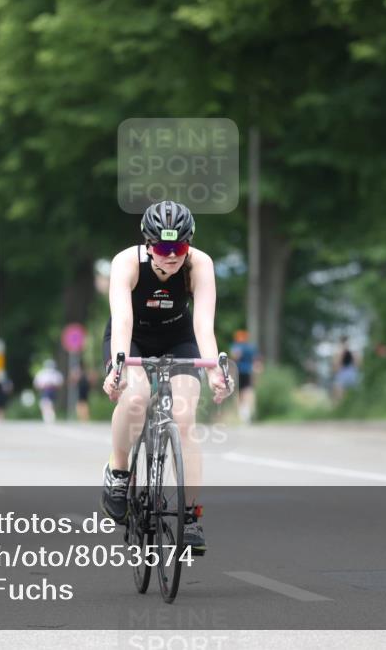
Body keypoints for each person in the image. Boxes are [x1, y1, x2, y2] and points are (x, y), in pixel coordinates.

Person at [100, 201, 232, 554]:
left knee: (185, 418)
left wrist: (215, 369)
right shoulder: (126, 263)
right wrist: (119, 367)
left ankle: (189, 516)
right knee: (136, 397)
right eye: (162, 247)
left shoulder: (199, 264)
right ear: (147, 244)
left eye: (179, 247)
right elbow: (123, 320)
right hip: (133, 337)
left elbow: (203, 325)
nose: (172, 255)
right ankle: (118, 470)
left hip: (179, 337)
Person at [230, 330, 258, 422]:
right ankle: (247, 412)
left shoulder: (236, 346)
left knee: (238, 392)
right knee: (248, 391)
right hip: (248, 372)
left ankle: (241, 414)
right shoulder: (251, 347)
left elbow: (235, 357)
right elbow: (256, 361)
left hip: (239, 372)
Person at [332, 336, 360, 402]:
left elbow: (336, 363)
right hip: (350, 371)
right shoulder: (350, 351)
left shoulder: (340, 351)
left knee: (340, 393)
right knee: (344, 392)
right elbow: (357, 363)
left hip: (345, 372)